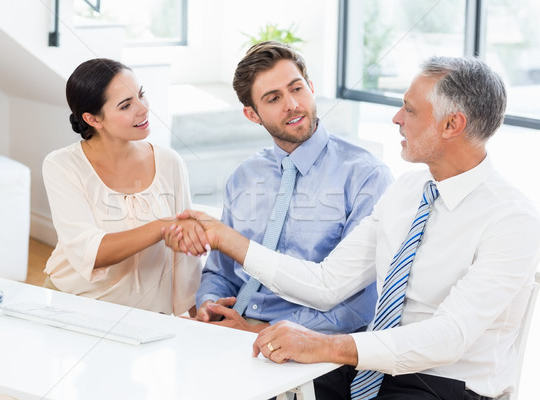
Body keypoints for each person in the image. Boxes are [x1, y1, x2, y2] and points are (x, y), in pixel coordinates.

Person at [166, 56, 540, 399]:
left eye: (409, 109)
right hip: (368, 369)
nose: (396, 118)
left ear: (451, 124)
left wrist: (327, 345)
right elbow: (328, 284)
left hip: (445, 384)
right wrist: (227, 239)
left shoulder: (511, 220)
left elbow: (450, 337)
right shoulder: (408, 191)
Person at [194, 40, 392, 335]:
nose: (292, 104)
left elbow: (359, 304)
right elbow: (219, 272)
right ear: (252, 114)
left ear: (310, 87)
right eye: (273, 98)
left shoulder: (366, 176)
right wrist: (210, 307)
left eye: (296, 88)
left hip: (315, 348)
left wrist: (262, 330)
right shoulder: (243, 177)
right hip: (230, 333)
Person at [42, 58, 206, 316]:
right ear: (93, 119)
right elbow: (90, 252)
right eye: (126, 105)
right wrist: (164, 226)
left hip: (150, 314)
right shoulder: (62, 165)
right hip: (76, 305)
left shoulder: (169, 162)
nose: (143, 108)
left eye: (141, 95)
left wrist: (197, 315)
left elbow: (185, 258)